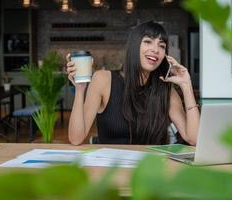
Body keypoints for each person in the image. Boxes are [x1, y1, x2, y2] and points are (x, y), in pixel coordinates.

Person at [66, 21, 200, 146]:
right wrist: (80, 89)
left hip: (151, 168)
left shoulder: (165, 89)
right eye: (148, 41)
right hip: (113, 168)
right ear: (134, 46)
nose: (156, 49)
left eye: (162, 45)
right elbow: (76, 139)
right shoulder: (103, 80)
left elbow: (193, 138)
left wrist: (186, 85)